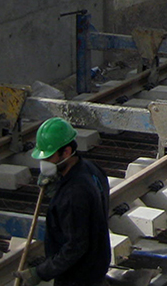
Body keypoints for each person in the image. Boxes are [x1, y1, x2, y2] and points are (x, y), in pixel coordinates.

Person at [17, 118, 110, 286]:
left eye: (49, 157)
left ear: (66, 152)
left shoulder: (73, 195)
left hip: (78, 278)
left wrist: (40, 272)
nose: (44, 163)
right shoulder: (91, 168)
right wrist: (58, 185)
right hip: (96, 265)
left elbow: (75, 247)